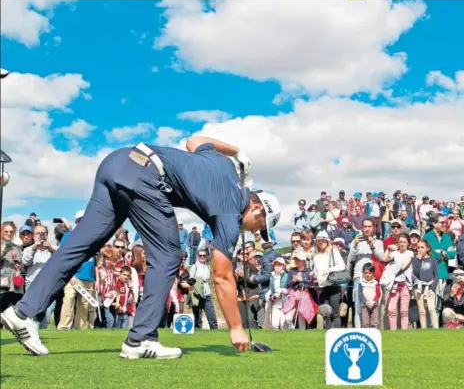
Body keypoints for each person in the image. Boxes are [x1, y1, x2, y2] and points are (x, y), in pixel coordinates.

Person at [1, 136, 281, 359]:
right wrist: (235, 328)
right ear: (256, 206)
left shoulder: (225, 165)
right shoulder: (230, 211)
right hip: (144, 175)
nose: (255, 231)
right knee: (170, 254)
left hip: (118, 161)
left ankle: (22, 312)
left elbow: (194, 140)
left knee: (79, 245)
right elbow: (221, 276)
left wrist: (237, 152)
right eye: (260, 224)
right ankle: (141, 339)